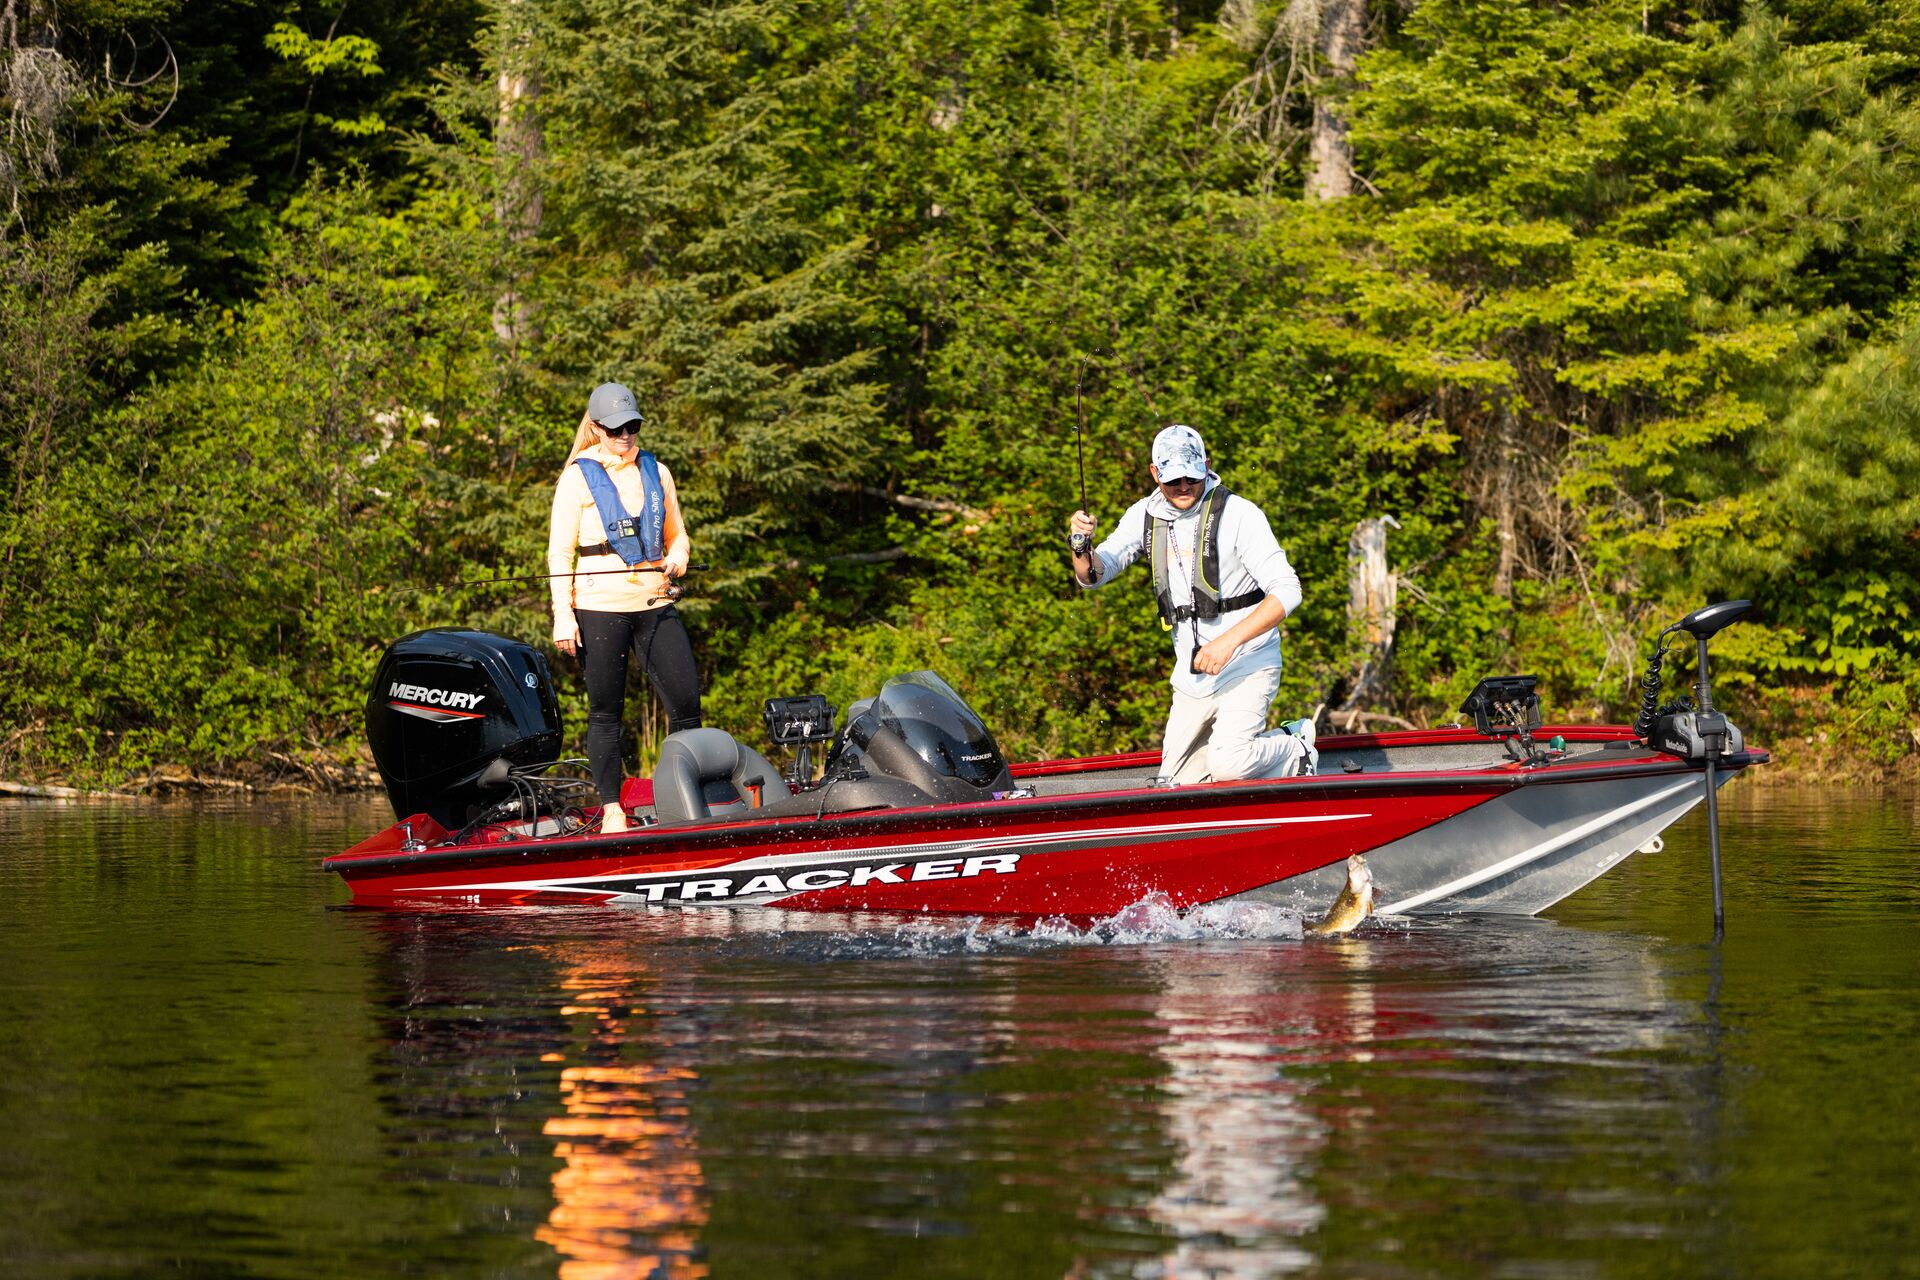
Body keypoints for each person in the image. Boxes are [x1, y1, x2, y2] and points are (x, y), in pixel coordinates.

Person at [1067, 423, 1315, 783]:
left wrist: (1228, 642)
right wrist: (1080, 545)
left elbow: (1288, 590)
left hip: (1248, 660)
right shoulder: (1144, 515)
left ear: (1207, 465)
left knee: (1230, 764)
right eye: (1173, 480)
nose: (1184, 487)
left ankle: (1295, 746)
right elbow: (1094, 575)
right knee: (1175, 785)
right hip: (1192, 675)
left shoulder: (1240, 514)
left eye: (1192, 478)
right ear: (1155, 473)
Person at [548, 382, 702, 832]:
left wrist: (679, 556)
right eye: (616, 428)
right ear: (596, 428)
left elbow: (677, 534)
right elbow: (560, 554)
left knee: (687, 703)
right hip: (597, 606)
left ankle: (683, 797)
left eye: (632, 426)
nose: (625, 435)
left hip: (655, 601)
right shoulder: (577, 477)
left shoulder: (659, 472)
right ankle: (613, 808)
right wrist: (563, 613)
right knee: (605, 711)